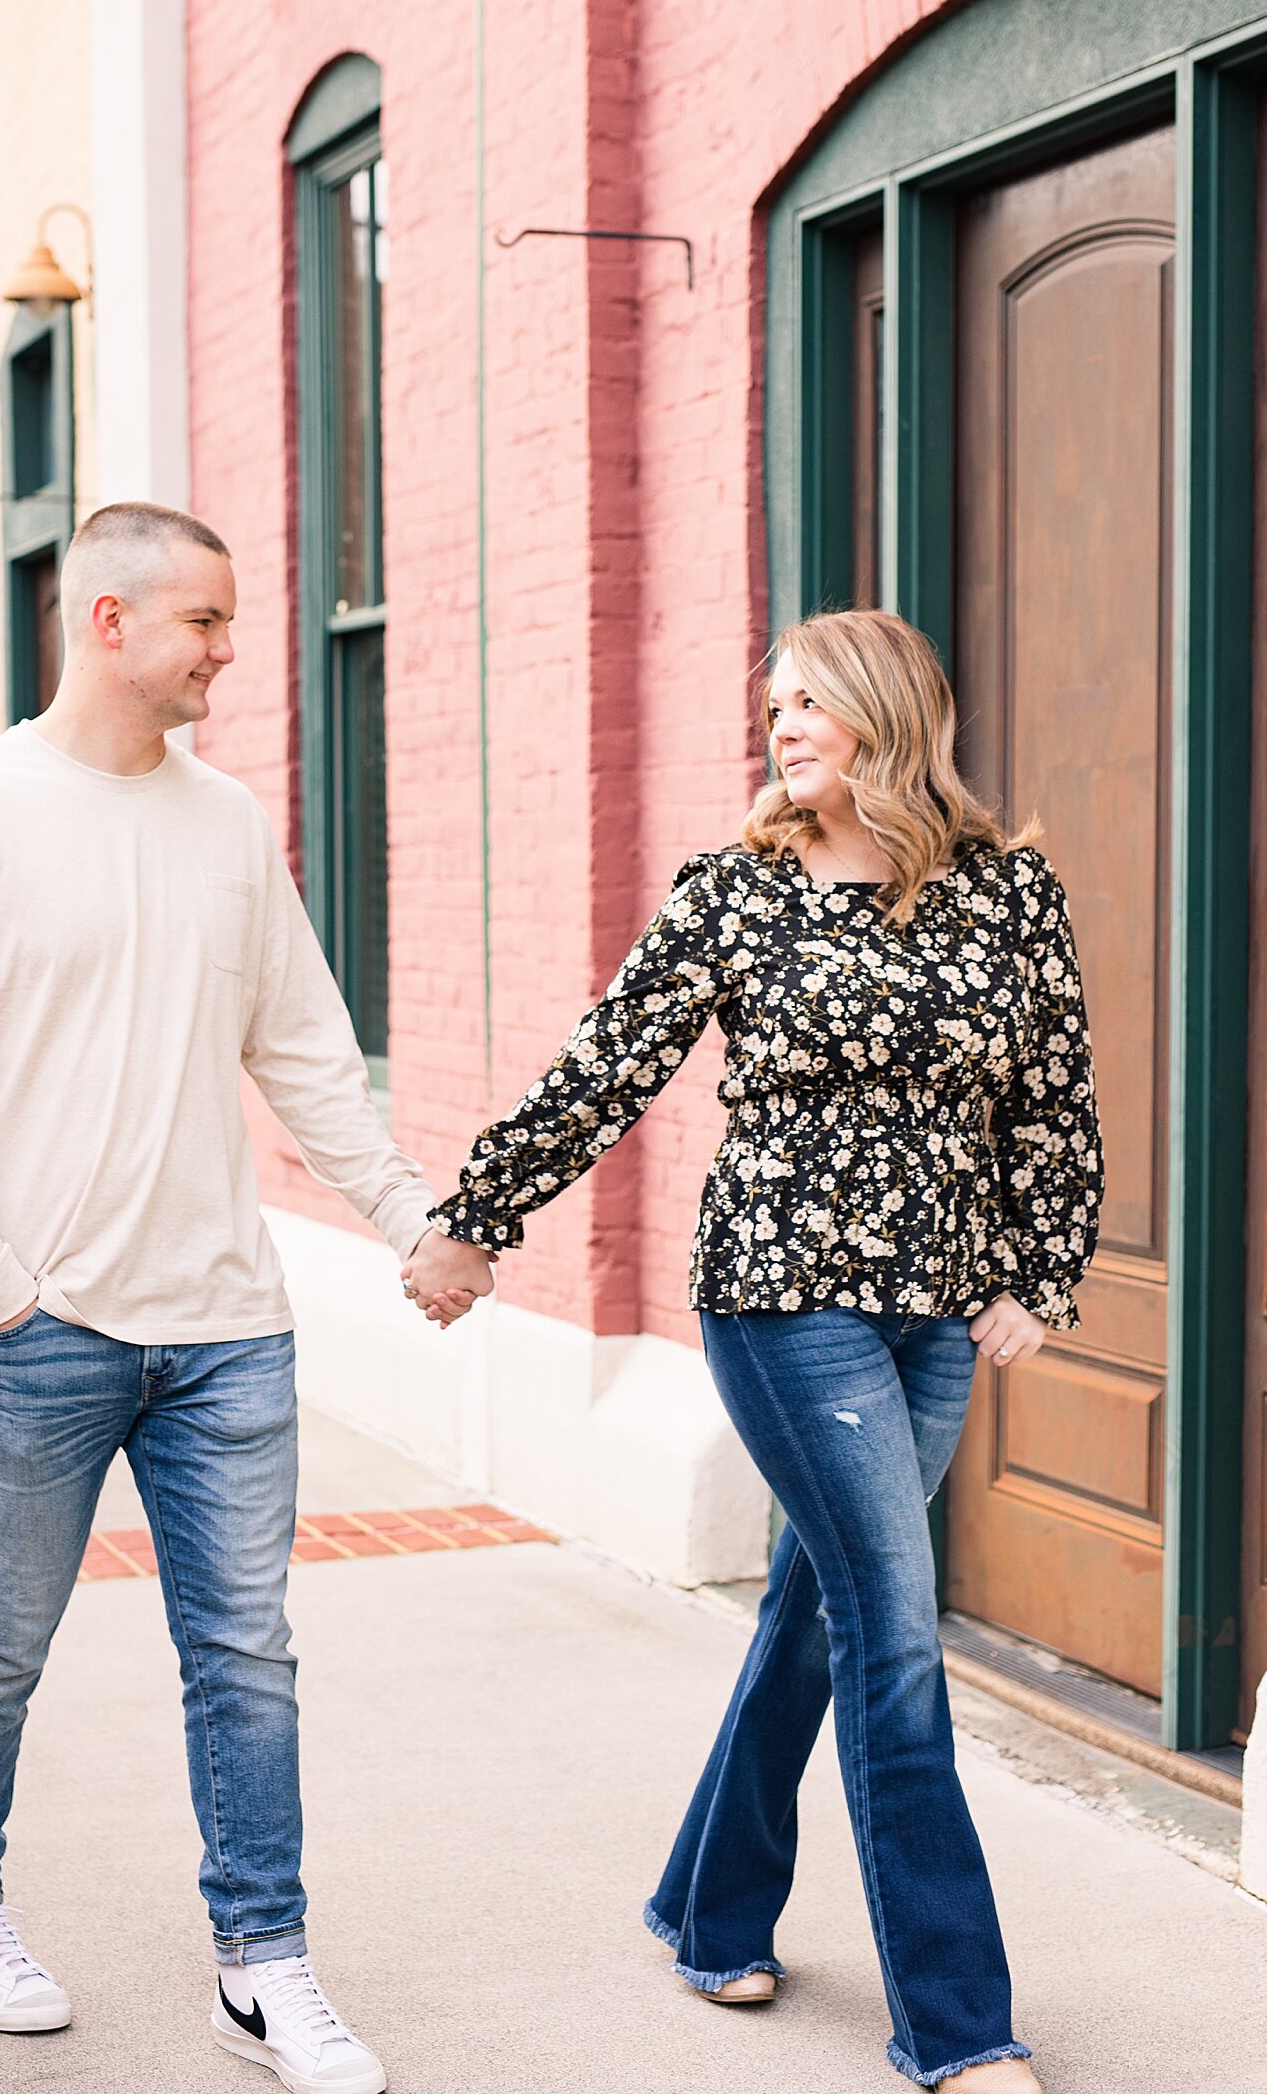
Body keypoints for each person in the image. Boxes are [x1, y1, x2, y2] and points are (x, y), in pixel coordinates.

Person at [404, 607, 1101, 2092]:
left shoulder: (1008, 893)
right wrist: (476, 1216)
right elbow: (608, 1064)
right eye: (772, 703)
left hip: (934, 1314)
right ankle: (961, 2023)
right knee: (896, 1637)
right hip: (785, 1299)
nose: (781, 725)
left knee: (818, 1604)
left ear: (888, 718)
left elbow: (1055, 1097)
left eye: (810, 703)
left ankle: (711, 1905)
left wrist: (1040, 1270)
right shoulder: (737, 892)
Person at [0, 502, 493, 2088]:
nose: (229, 649)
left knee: (247, 1655)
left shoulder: (226, 825)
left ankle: (264, 1964)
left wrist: (414, 1216)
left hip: (224, 1329)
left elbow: (302, 1044)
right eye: (206, 621)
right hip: (42, 1330)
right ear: (108, 621)